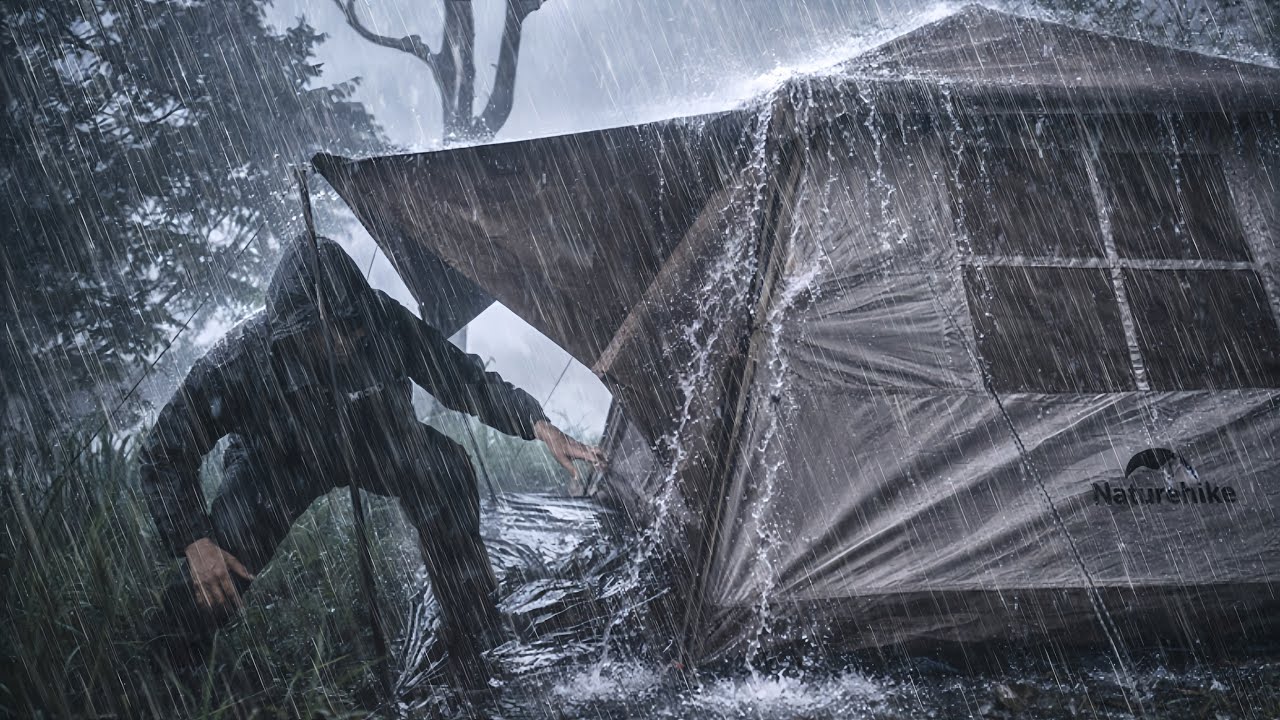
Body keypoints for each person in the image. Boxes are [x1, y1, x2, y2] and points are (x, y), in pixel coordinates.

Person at [141, 235, 605, 698]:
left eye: (353, 324)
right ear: (294, 330)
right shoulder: (241, 359)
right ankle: (164, 680)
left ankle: (471, 631)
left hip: (375, 438)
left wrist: (537, 424)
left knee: (446, 471)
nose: (350, 339)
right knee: (218, 561)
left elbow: (461, 378)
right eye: (331, 330)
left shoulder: (382, 320)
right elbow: (163, 452)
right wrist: (194, 540)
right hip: (279, 460)